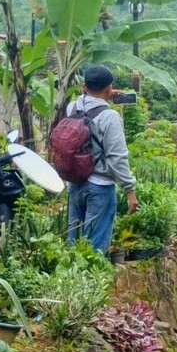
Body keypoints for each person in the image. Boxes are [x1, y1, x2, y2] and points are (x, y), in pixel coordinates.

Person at [67, 65, 139, 253]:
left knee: (73, 245)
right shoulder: (110, 117)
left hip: (75, 184)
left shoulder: (72, 108)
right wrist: (130, 189)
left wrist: (103, 97)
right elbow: (117, 158)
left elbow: (87, 106)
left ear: (84, 87)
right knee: (94, 249)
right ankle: (93, 279)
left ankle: (70, 281)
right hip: (99, 187)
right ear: (108, 89)